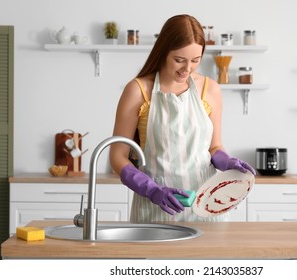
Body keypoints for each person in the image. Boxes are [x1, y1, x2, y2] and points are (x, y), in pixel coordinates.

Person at [109, 14, 255, 223]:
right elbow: (117, 156)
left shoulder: (210, 89)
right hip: (156, 211)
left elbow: (214, 147)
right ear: (163, 52)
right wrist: (151, 190)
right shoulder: (138, 90)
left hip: (207, 209)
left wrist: (227, 162)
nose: (187, 69)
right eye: (179, 60)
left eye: (195, 61)